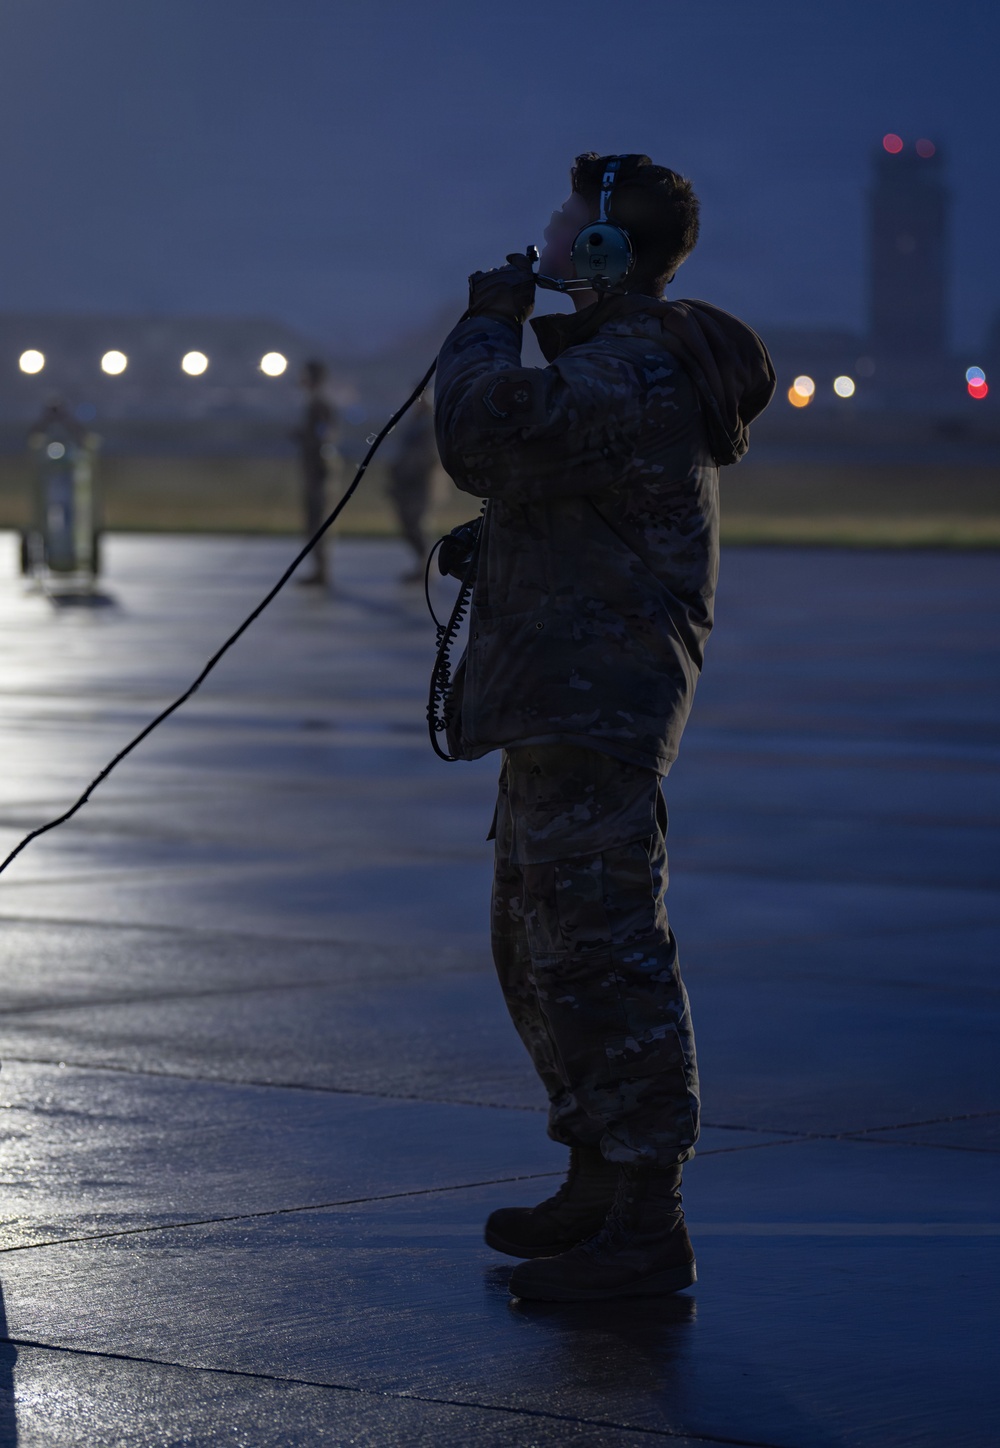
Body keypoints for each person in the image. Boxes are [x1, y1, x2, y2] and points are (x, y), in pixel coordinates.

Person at [433, 153, 774, 1301]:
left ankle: (645, 1220)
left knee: (603, 958)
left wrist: (488, 323)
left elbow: (481, 435)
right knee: (538, 949)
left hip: (594, 704)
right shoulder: (614, 363)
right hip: (560, 701)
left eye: (565, 220)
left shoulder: (631, 366)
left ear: (603, 250)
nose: (544, 233)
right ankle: (594, 1175)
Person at [292, 359, 338, 586]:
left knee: (318, 522)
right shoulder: (314, 403)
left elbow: (325, 436)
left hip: (320, 473)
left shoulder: (320, 404)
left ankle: (322, 572)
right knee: (312, 522)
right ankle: (319, 570)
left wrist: (308, 440)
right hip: (313, 472)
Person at [387, 394, 438, 581]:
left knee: (417, 524)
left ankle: (426, 566)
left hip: (420, 483)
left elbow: (427, 455)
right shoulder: (414, 423)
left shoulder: (429, 425)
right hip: (406, 482)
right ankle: (422, 564)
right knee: (408, 525)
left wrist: (407, 468)